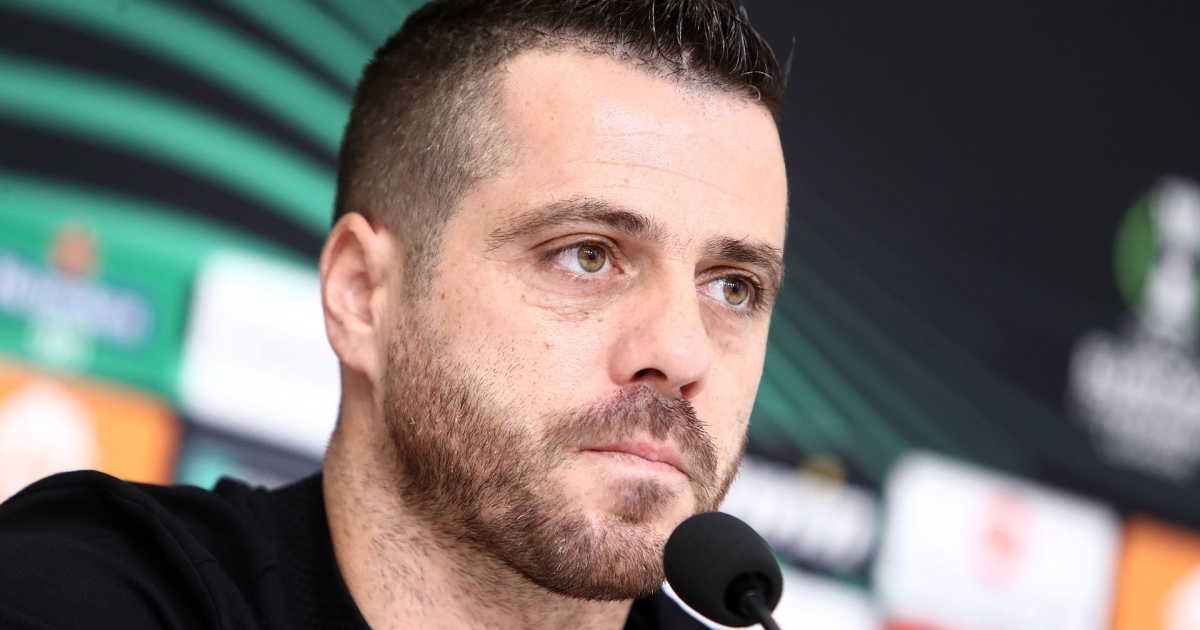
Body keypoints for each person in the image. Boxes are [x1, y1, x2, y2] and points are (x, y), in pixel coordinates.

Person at [0, 0, 788, 628]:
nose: (682, 352)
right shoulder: (82, 594)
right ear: (362, 293)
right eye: (586, 254)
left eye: (733, 288)